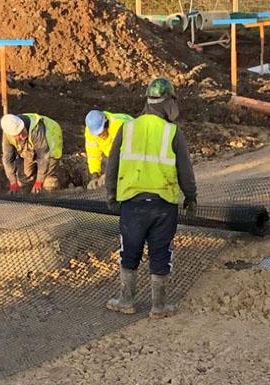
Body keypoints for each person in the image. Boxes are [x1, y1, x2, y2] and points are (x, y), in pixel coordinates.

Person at [105, 77, 197, 319]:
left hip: (132, 203)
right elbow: (185, 170)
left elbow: (112, 164)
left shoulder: (128, 128)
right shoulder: (172, 132)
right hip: (163, 204)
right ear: (168, 102)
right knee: (160, 251)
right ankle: (159, 306)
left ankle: (126, 300)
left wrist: (111, 195)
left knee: (130, 250)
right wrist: (191, 197)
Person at [0, 113, 63, 194]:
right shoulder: (7, 135)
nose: (21, 136)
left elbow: (43, 156)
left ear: (22, 125)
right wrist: (13, 182)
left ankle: (49, 200)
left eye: (22, 131)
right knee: (24, 179)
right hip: (30, 148)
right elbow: (7, 159)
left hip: (49, 146)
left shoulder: (35, 129)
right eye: (18, 135)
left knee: (47, 180)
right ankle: (25, 201)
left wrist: (39, 181)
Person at [84, 110, 133, 190]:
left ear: (106, 123)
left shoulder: (119, 126)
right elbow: (93, 155)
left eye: (101, 132)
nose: (100, 135)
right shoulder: (91, 132)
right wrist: (95, 175)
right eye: (97, 134)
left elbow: (125, 155)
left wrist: (109, 173)